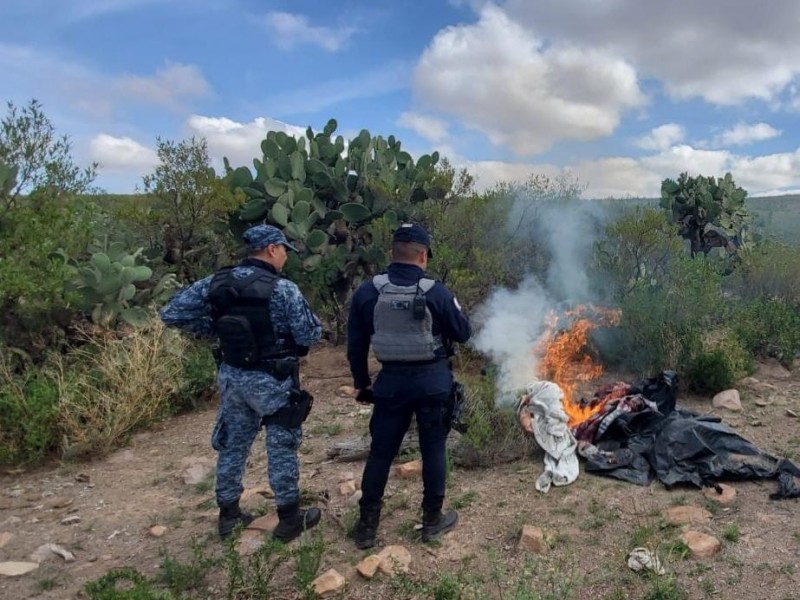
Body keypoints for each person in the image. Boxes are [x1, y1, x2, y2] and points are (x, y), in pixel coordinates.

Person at [160, 224, 323, 542]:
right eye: (284, 250)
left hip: (232, 376)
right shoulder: (282, 289)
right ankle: (289, 518)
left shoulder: (215, 283)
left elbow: (171, 313)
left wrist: (213, 329)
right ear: (272, 249)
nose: (286, 256)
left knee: (233, 446)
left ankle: (229, 515)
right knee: (281, 444)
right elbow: (308, 334)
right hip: (272, 379)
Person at [347, 223, 472, 549]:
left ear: (392, 253)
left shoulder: (367, 291)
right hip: (432, 382)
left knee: (380, 454)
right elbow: (463, 333)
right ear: (423, 255)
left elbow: (356, 345)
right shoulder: (436, 291)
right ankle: (432, 521)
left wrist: (362, 384)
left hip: (390, 384)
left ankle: (366, 528)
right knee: (433, 449)